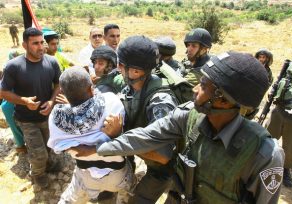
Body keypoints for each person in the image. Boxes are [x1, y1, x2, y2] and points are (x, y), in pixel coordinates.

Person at [72, 51, 284, 204]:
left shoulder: (263, 154)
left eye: (203, 85)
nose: (194, 88)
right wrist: (97, 149)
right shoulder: (188, 116)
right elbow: (145, 136)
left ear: (223, 99)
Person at [90, 35, 178, 204]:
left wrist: (118, 138)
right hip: (149, 157)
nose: (118, 68)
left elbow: (163, 156)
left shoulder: (160, 101)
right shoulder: (132, 85)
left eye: (122, 65)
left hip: (166, 169)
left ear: (137, 71)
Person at [47, 67, 134, 204]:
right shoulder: (112, 102)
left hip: (86, 176)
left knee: (68, 199)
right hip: (117, 176)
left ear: (62, 92)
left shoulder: (55, 119)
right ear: (90, 88)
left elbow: (57, 147)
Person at [0, 27, 61, 188]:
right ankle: (38, 174)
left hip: (47, 116)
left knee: (49, 146)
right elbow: (3, 92)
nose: (41, 47)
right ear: (24, 45)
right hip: (26, 119)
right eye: (35, 43)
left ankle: (47, 164)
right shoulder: (14, 66)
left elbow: (58, 84)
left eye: (42, 42)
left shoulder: (52, 62)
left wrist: (52, 101)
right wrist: (24, 101)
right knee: (38, 153)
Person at [265, 58, 292, 188]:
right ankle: (261, 162)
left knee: (291, 146)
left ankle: (285, 170)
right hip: (279, 108)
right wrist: (273, 89)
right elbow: (282, 78)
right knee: (267, 136)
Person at [1, 50, 26, 153]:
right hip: (16, 103)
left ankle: (21, 145)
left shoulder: (7, 67)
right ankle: (22, 145)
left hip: (8, 104)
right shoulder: (22, 68)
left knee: (15, 126)